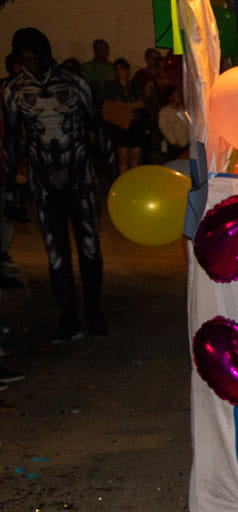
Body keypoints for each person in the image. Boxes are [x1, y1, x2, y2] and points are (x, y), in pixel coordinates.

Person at [3, 28, 104, 340]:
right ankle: (68, 316)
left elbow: (97, 127)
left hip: (80, 177)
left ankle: (94, 312)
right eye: (24, 60)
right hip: (43, 181)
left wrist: (108, 167)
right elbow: (11, 140)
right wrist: (9, 183)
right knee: (56, 252)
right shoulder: (13, 90)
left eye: (32, 59)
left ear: (45, 54)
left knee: (89, 246)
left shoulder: (75, 83)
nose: (30, 66)